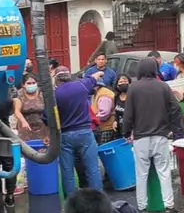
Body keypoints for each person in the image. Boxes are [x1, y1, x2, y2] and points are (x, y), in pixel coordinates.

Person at [123, 58, 184, 213]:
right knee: (164, 172)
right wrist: (173, 128)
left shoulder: (133, 88)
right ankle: (169, 207)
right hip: (160, 136)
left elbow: (128, 114)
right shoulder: (163, 86)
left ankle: (142, 209)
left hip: (140, 137)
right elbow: (176, 108)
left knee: (141, 174)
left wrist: (126, 131)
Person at [44, 69, 104, 197]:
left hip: (65, 136)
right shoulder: (81, 86)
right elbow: (94, 77)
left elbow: (47, 118)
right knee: (93, 169)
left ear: (57, 80)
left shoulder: (54, 95)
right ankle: (98, 199)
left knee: (67, 171)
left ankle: (70, 202)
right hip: (85, 133)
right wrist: (100, 72)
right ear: (69, 77)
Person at [15, 72, 48, 142]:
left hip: (43, 128)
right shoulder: (19, 95)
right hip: (26, 128)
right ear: (23, 85)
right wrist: (23, 122)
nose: (31, 85)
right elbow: (17, 111)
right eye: (29, 83)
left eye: (33, 83)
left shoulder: (43, 93)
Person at [92, 78, 118, 145]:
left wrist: (92, 119)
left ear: (96, 86)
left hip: (107, 128)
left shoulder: (104, 95)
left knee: (105, 149)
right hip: (103, 127)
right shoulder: (97, 93)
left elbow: (104, 114)